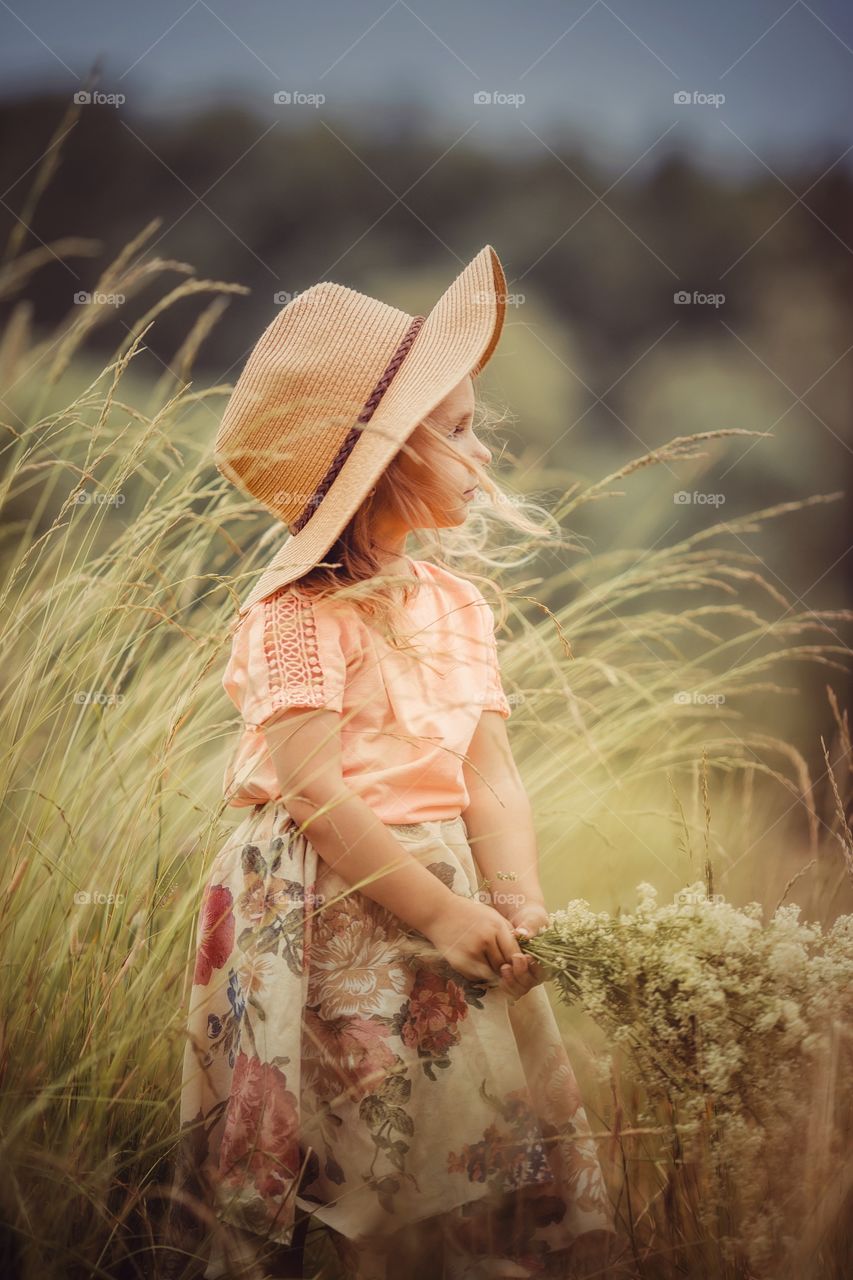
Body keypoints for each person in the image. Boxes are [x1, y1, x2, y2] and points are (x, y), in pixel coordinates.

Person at [166, 246, 626, 1280]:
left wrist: (512, 895)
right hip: (332, 905)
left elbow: (492, 774)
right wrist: (440, 914)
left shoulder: (459, 607)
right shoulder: (297, 616)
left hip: (447, 895)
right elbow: (315, 790)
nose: (485, 453)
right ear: (380, 460)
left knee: (477, 1138)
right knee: (372, 1163)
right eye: (459, 431)